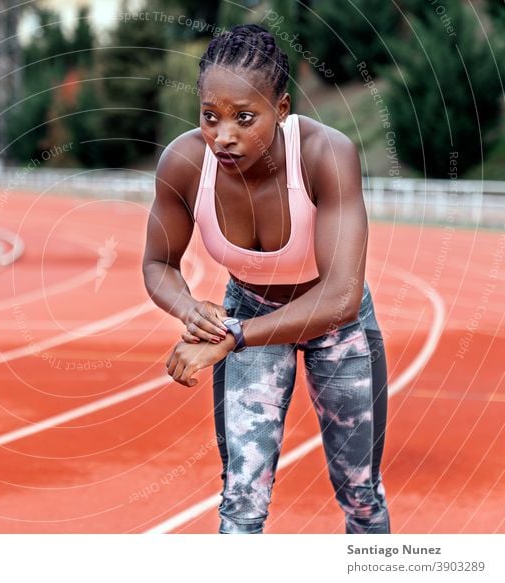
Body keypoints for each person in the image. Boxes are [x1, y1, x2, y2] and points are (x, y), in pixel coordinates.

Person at [141, 24, 390, 534]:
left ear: (281, 108)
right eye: (210, 117)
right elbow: (157, 263)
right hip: (249, 309)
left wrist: (231, 338)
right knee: (241, 502)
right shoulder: (185, 163)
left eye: (243, 118)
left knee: (361, 495)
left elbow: (341, 298)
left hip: (334, 328)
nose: (222, 136)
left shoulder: (326, 154)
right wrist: (192, 312)